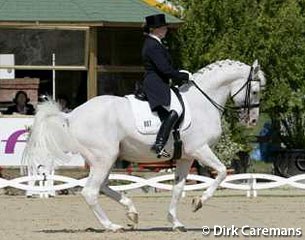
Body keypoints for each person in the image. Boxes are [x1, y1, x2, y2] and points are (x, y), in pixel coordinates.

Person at [142, 13, 192, 158]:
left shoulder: (156, 43)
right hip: (155, 82)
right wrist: (184, 75)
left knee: (173, 109)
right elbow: (165, 69)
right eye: (163, 27)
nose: (165, 30)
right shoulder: (153, 45)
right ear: (155, 29)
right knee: (176, 109)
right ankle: (159, 144)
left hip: (159, 81)